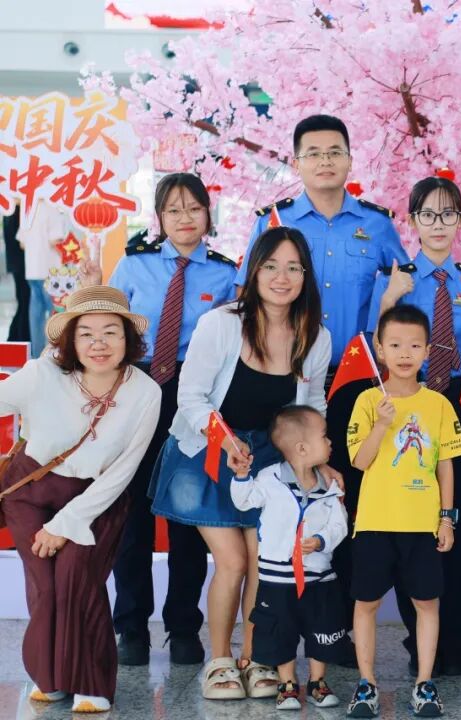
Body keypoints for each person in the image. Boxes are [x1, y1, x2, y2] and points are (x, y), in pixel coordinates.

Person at [150, 226, 334, 700]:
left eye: (293, 268)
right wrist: (227, 441)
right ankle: (220, 663)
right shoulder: (221, 323)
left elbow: (313, 405)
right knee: (231, 560)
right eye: (270, 266)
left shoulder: (316, 336)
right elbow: (191, 398)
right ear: (253, 272)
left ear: (306, 276)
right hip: (208, 450)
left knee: (262, 559)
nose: (281, 277)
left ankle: (254, 659)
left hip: (270, 460)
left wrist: (316, 458)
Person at [237, 114, 408, 597]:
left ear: (350, 160)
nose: (324, 161)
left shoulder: (376, 225)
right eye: (312, 153)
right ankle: (282, 606)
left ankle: (342, 613)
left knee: (346, 489)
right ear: (296, 163)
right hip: (285, 374)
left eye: (334, 152)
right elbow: (245, 294)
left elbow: (401, 295)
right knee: (283, 485)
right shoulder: (274, 222)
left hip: (355, 378)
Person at [79, 173, 236, 666]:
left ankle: (183, 627)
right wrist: (89, 292)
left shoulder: (227, 275)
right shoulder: (133, 265)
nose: (184, 218)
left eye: (194, 208)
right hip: (138, 389)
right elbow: (106, 329)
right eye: (173, 209)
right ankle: (131, 628)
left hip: (195, 396)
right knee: (133, 515)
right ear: (159, 218)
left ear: (208, 215)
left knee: (187, 513)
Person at [0, 286, 161, 713]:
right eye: (86, 333)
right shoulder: (42, 374)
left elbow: (124, 469)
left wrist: (65, 525)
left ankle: (93, 682)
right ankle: (50, 678)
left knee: (78, 578)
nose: (98, 343)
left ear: (128, 338)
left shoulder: (146, 392)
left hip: (97, 496)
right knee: (46, 587)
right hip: (31, 490)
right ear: (70, 340)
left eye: (111, 332)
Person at [367, 176, 461, 676]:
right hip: (405, 402)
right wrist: (389, 301)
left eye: (448, 214)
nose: (438, 224)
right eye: (427, 214)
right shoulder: (393, 280)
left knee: (454, 518)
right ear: (412, 221)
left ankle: (454, 641)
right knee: (410, 524)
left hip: (460, 403)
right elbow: (374, 345)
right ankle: (419, 643)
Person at [345, 304, 461, 718]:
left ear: (428, 351)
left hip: (422, 524)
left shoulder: (438, 404)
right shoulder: (367, 401)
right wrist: (381, 424)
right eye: (394, 345)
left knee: (427, 603)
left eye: (414, 345)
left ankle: (425, 683)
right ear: (380, 349)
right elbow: (360, 462)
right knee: (366, 603)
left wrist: (447, 518)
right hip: (375, 522)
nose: (404, 353)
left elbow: (446, 465)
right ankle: (367, 683)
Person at [230, 405, 351, 712]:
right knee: (279, 631)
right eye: (324, 436)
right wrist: (241, 476)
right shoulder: (269, 479)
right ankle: (287, 684)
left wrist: (321, 540)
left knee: (322, 630)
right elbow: (244, 502)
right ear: (302, 448)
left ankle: (317, 682)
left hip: (319, 578)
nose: (330, 442)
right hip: (277, 579)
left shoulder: (329, 485)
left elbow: (340, 524)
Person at [17, 200, 69, 356]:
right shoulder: (52, 209)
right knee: (56, 315)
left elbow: (22, 244)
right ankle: (55, 355)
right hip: (49, 270)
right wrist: (71, 257)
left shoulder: (27, 210)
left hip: (32, 269)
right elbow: (55, 240)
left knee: (36, 316)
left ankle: (37, 356)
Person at [2, 201, 30, 342]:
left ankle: (15, 338)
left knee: (23, 301)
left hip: (17, 264)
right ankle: (20, 339)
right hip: (23, 265)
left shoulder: (10, 211)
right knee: (25, 301)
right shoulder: (18, 212)